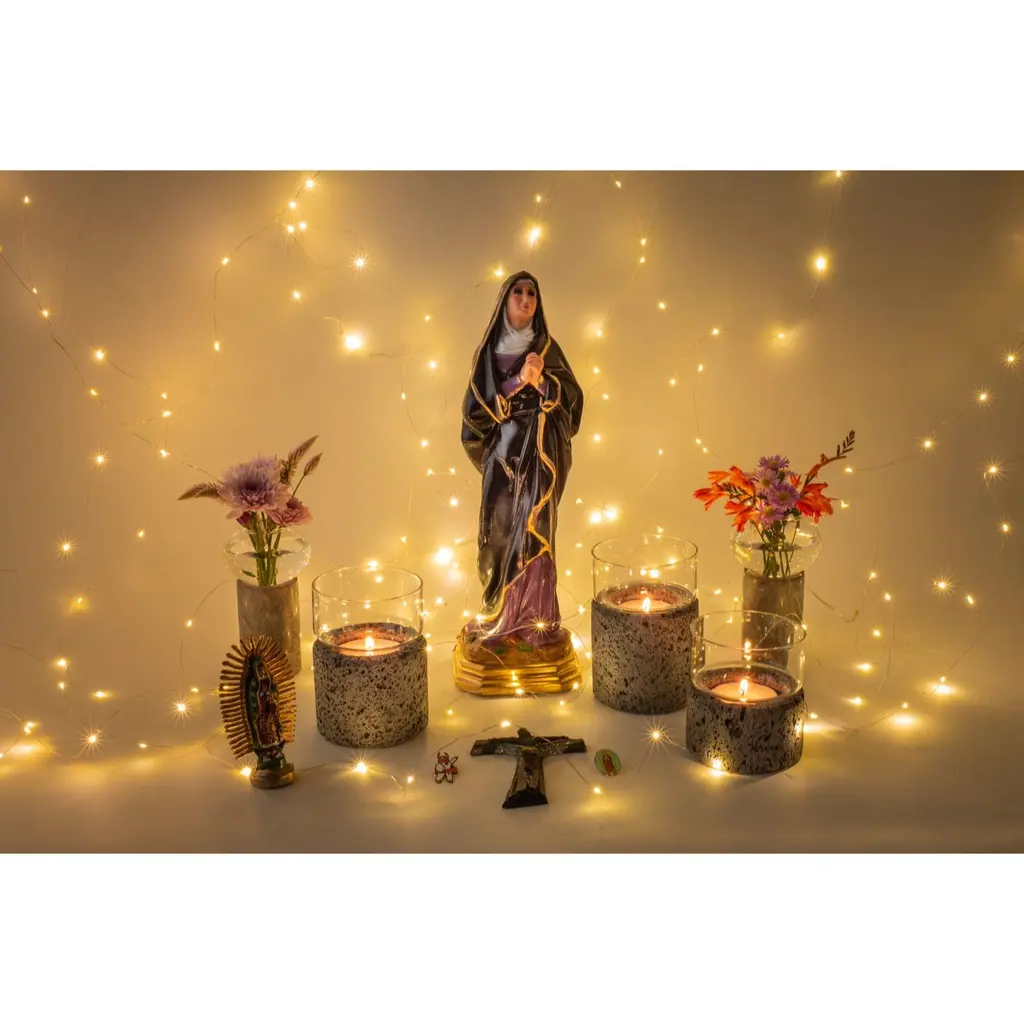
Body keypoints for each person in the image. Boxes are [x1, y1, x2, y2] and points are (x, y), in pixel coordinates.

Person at [461, 271, 583, 649]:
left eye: (532, 293)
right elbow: (476, 411)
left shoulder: (546, 349)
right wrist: (520, 381)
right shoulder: (488, 352)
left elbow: (571, 401)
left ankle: (535, 622)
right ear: (505, 300)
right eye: (518, 292)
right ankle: (498, 614)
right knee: (498, 532)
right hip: (503, 455)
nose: (526, 299)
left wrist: (543, 383)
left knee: (535, 528)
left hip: (539, 453)